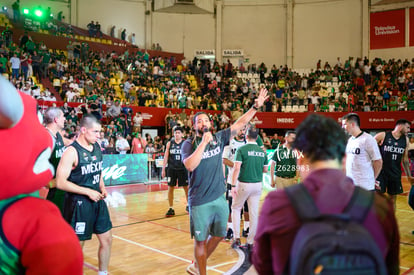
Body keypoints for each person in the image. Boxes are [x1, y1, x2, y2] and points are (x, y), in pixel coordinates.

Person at [252, 114, 399, 274]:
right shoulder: (381, 207)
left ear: (300, 159)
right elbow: (391, 270)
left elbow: (263, 267)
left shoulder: (278, 203)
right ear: (344, 158)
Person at [181, 89, 268, 275]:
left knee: (220, 234)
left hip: (219, 198)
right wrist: (203, 143)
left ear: (210, 123)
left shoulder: (219, 138)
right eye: (199, 121)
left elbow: (240, 124)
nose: (202, 123)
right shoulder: (189, 144)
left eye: (205, 120)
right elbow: (190, 165)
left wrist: (255, 107)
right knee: (200, 241)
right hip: (199, 201)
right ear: (194, 126)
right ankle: (200, 270)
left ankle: (198, 264)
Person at [56, 114, 112, 275]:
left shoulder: (96, 147)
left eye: (100, 132)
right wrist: (87, 191)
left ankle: (103, 272)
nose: (99, 135)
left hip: (97, 201)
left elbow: (98, 170)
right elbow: (60, 182)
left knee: (107, 239)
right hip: (78, 203)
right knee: (77, 247)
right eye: (95, 132)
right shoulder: (71, 152)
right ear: (83, 130)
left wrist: (102, 187)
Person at [230, 127, 268, 251]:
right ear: (257, 137)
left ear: (246, 136)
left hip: (244, 184)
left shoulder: (241, 149)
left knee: (236, 208)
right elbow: (265, 170)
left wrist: (233, 185)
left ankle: (236, 238)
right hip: (257, 185)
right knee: (253, 213)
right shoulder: (263, 152)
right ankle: (251, 242)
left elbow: (236, 168)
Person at [375, 119, 414, 209]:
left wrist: (409, 176)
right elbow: (369, 148)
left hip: (395, 173)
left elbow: (405, 160)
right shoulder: (383, 135)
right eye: (407, 127)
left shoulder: (406, 140)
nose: (409, 130)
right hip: (381, 172)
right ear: (400, 126)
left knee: (392, 199)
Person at [222, 126, 250, 241]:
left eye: (244, 130)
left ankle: (247, 228)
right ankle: (230, 229)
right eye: (240, 129)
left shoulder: (249, 143)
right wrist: (236, 166)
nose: (242, 132)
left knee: (246, 206)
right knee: (231, 206)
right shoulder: (230, 143)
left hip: (246, 180)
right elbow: (224, 159)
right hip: (232, 180)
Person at [342, 113, 382, 191]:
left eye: (344, 125)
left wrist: (372, 178)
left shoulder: (368, 139)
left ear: (352, 124)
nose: (343, 127)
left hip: (365, 187)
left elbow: (378, 161)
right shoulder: (350, 140)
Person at [44, 107, 73, 214]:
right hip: (54, 192)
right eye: (62, 116)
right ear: (56, 119)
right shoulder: (45, 137)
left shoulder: (57, 135)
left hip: (63, 190)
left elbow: (68, 142)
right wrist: (52, 182)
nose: (65, 119)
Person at [162, 126, 188, 217]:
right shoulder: (170, 143)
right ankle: (171, 208)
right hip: (171, 168)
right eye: (175, 133)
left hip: (182, 168)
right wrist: (163, 169)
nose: (177, 134)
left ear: (182, 134)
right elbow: (166, 156)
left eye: (178, 133)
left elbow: (189, 156)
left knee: (186, 187)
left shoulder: (185, 143)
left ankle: (188, 205)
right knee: (170, 188)